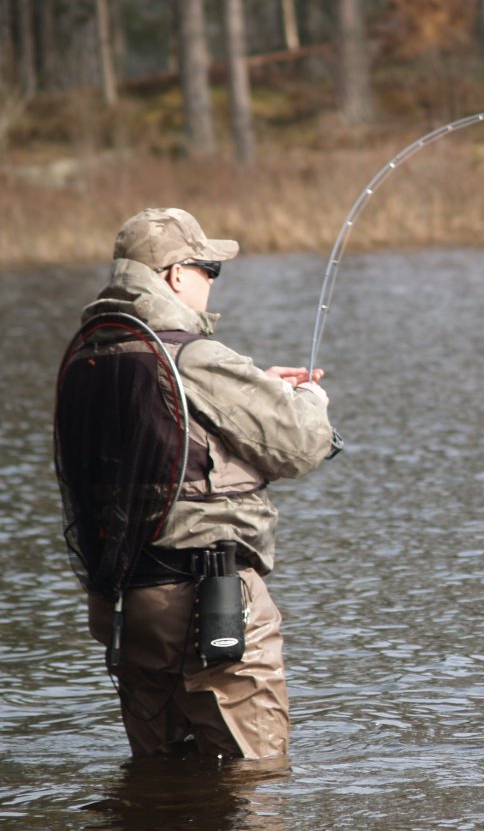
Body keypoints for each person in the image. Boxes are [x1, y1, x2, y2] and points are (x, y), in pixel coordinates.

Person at [57, 207, 337, 759]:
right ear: (175, 274)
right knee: (254, 777)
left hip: (126, 604)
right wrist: (308, 400)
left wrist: (253, 384)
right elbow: (301, 444)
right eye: (209, 269)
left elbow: (166, 430)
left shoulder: (88, 357)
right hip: (210, 600)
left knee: (161, 781)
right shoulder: (196, 357)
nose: (211, 282)